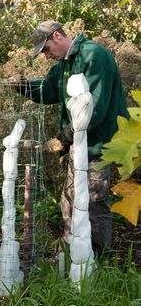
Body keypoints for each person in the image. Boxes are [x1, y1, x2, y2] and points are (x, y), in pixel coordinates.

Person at [15, 20, 129, 255]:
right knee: (70, 199)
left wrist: (63, 138)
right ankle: (73, 249)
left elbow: (95, 107)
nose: (46, 56)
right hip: (79, 144)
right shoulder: (65, 64)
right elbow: (48, 90)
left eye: (46, 49)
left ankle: (97, 259)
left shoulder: (94, 56)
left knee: (93, 202)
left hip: (100, 145)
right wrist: (23, 86)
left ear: (57, 36)